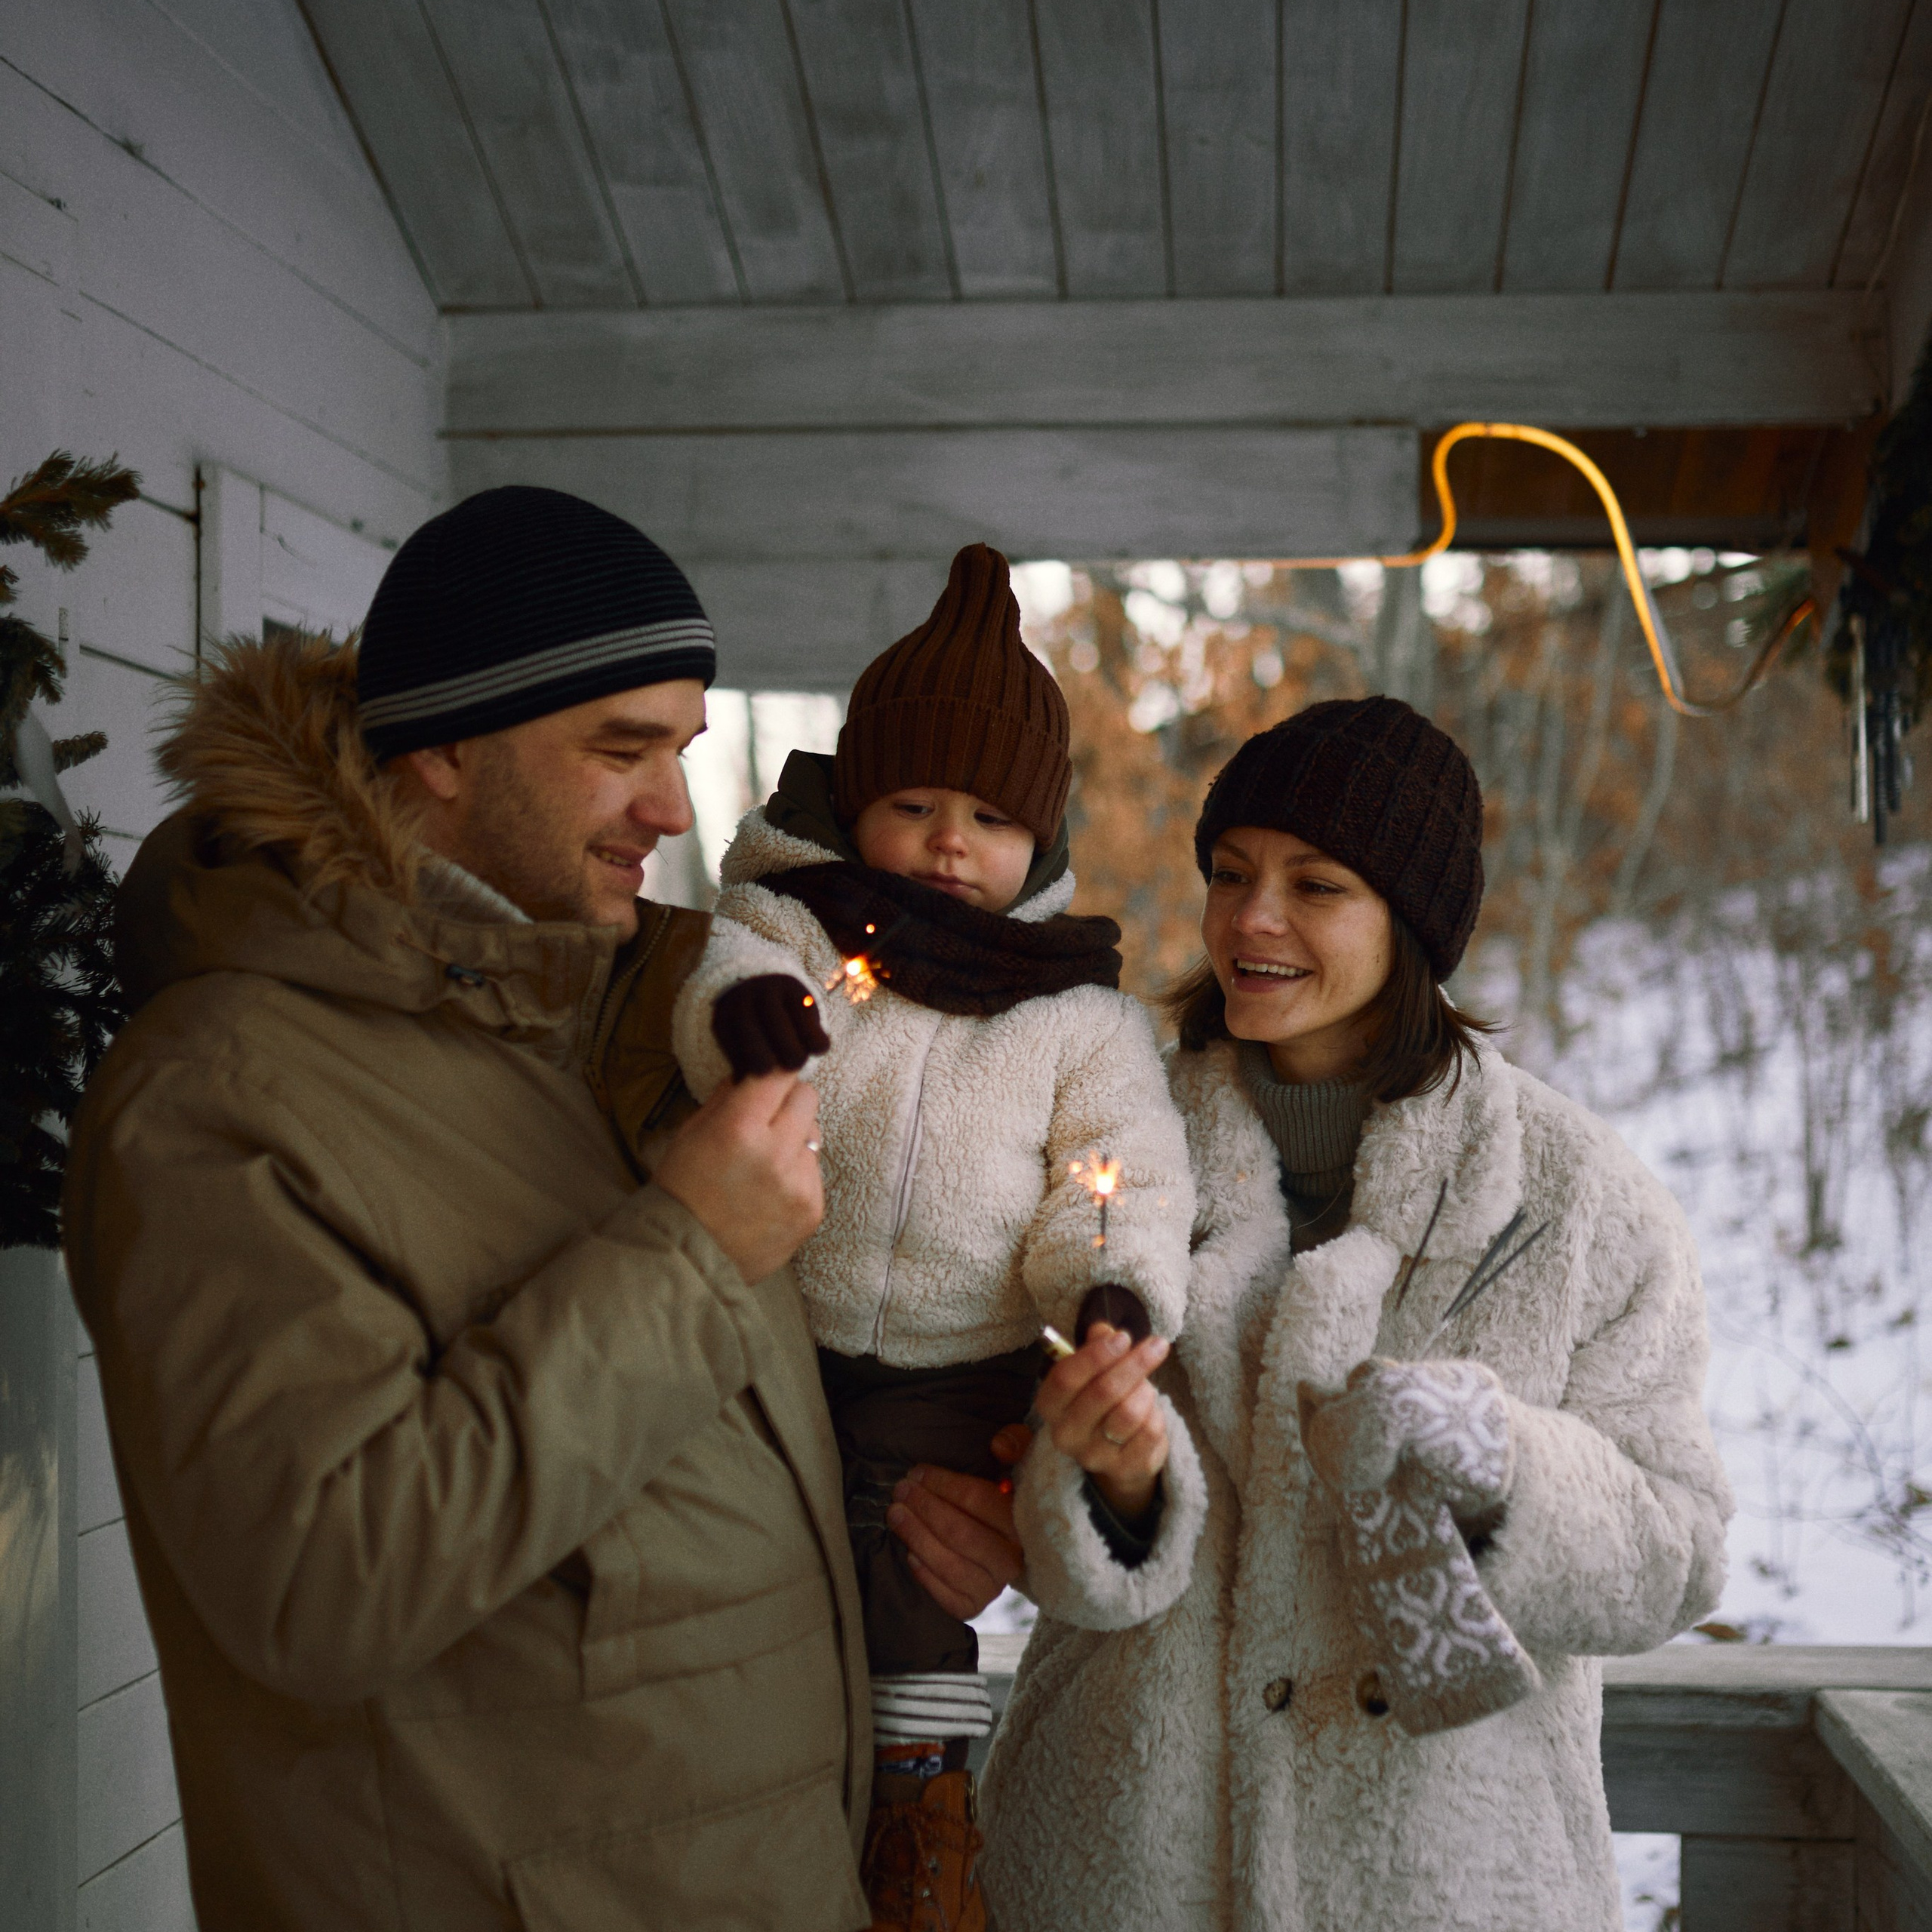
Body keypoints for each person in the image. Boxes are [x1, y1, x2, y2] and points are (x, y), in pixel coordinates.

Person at [59, 485, 1006, 1930]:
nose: (672, 808)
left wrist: (926, 1510)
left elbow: (676, 1478)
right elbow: (319, 1585)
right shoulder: (215, 1097)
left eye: (681, 748)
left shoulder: (644, 1016)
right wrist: (693, 1255)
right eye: (619, 751)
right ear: (442, 746)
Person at [980, 696, 1735, 1932]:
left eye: (1316, 885)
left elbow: (1678, 1556)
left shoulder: (1573, 1196)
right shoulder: (1111, 1149)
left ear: (1413, 925)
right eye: (1231, 874)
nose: (1251, 919)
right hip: (1129, 1864)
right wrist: (1109, 1490)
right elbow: (999, 1479)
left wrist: (1496, 1461)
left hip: (1448, 1882)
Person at [670, 543, 1198, 1930]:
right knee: (752, 1565)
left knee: (913, 1564)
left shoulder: (1074, 1015)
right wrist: (747, 1025)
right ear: (856, 802)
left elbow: (1121, 1177)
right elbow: (730, 978)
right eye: (913, 804)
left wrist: (1109, 1288)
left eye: (989, 816)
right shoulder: (800, 929)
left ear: (1044, 838)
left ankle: (920, 1810)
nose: (950, 841)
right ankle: (759, 1797)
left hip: (957, 1367)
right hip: (777, 1336)